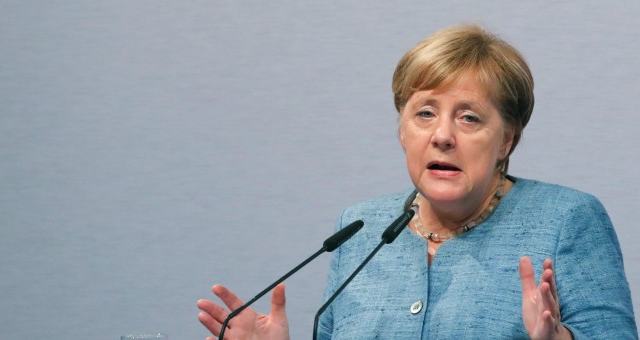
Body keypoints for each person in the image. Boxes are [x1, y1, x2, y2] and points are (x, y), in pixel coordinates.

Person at [197, 24, 637, 339]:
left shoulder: (567, 219)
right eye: (424, 113)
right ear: (402, 128)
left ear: (507, 139)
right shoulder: (359, 227)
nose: (442, 136)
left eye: (469, 118)